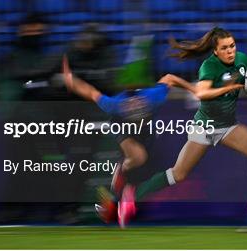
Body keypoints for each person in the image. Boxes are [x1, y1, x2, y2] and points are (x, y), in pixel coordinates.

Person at [116, 27, 247, 226]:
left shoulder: (243, 60)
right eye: (225, 48)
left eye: (232, 46)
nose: (230, 51)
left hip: (227, 126)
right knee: (178, 174)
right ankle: (133, 195)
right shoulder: (209, 67)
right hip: (204, 127)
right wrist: (232, 87)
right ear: (215, 51)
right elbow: (201, 94)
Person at [62, 55, 197, 227]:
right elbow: (91, 92)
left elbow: (169, 78)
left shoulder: (153, 96)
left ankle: (118, 201)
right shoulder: (115, 104)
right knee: (138, 157)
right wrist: (71, 81)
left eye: (137, 106)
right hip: (121, 128)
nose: (133, 107)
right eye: (130, 106)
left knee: (145, 171)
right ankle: (123, 168)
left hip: (145, 134)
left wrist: (192, 88)